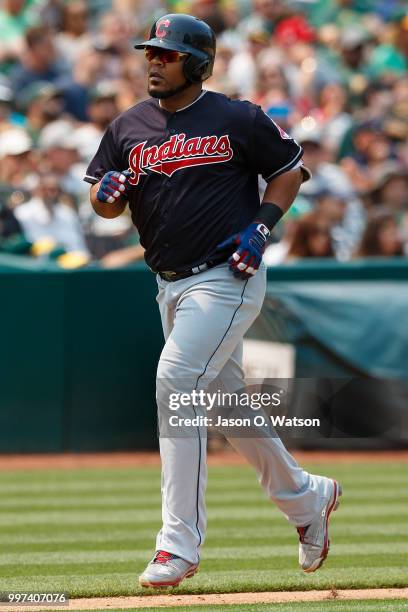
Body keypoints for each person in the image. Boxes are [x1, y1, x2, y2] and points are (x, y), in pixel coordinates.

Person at [84, 14, 342, 589]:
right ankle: (306, 500)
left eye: (168, 54)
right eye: (151, 51)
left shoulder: (236, 117)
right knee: (226, 406)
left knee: (176, 380)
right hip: (168, 283)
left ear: (196, 62)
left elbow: (289, 172)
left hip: (227, 275)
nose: (154, 60)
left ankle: (178, 543)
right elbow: (105, 204)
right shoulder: (128, 126)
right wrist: (105, 196)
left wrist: (262, 227)